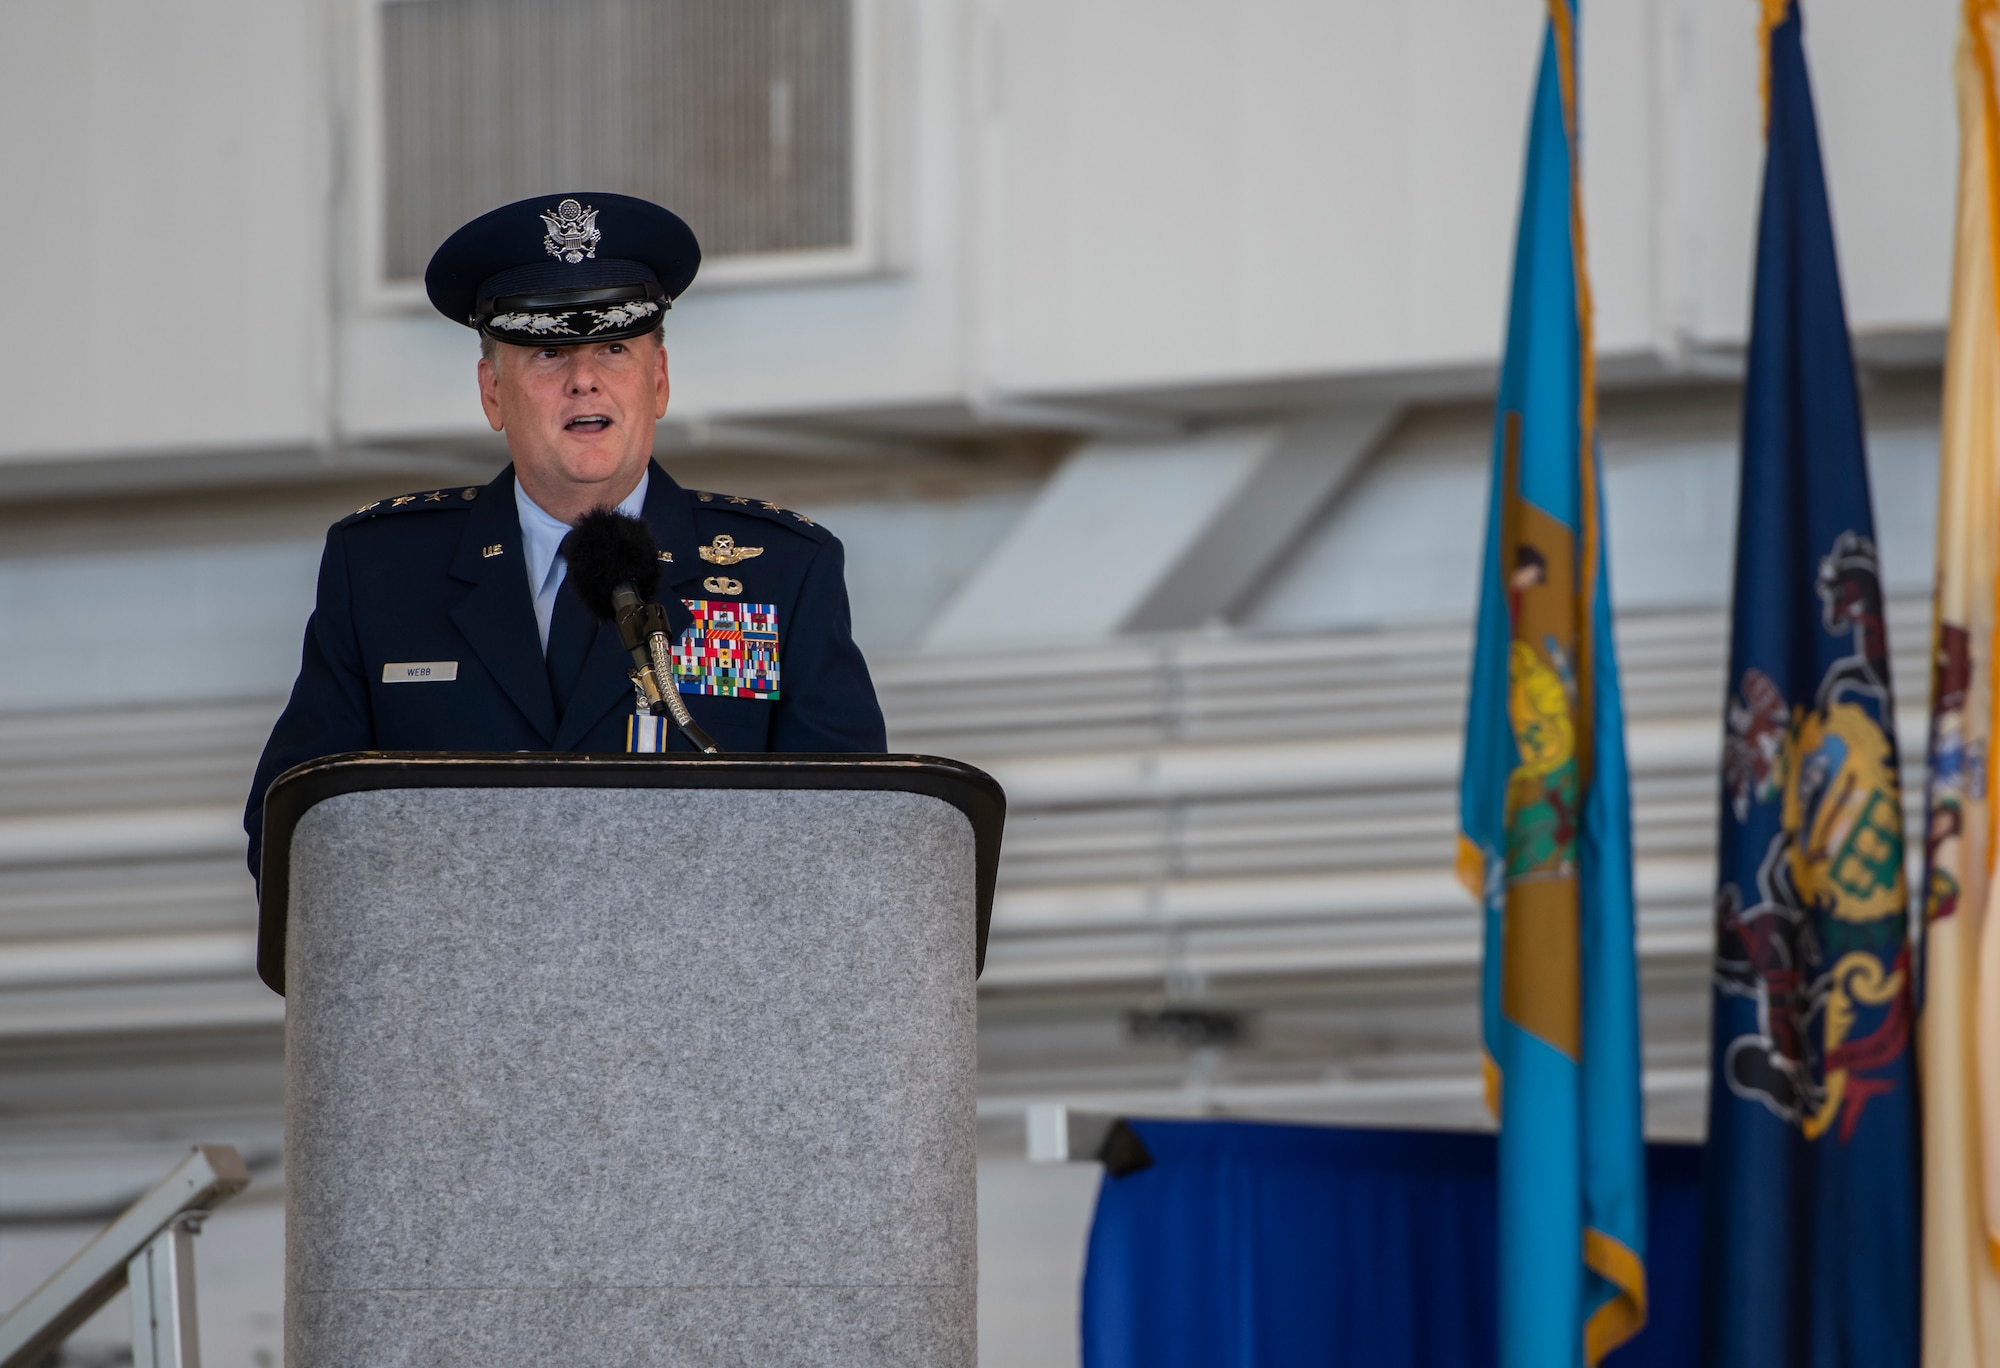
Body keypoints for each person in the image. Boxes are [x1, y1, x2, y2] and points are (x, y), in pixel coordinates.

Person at [243, 192, 886, 877]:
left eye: (614, 348)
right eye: (548, 353)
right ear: (492, 392)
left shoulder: (783, 575)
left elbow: (848, 841)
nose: (584, 380)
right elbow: (297, 830)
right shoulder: (380, 572)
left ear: (659, 382)